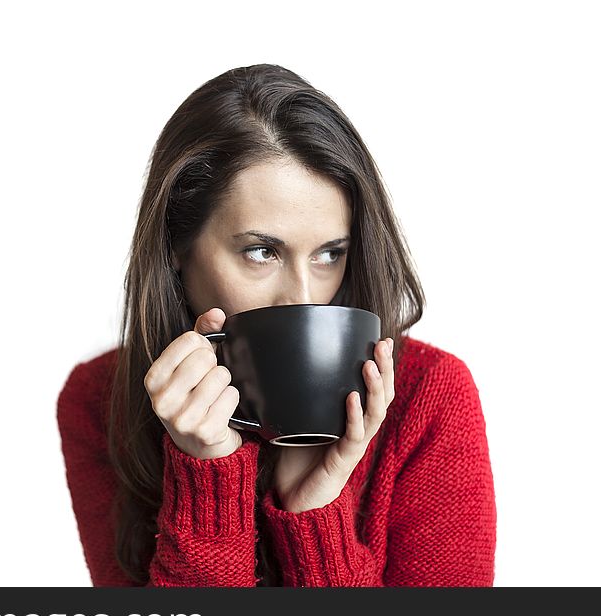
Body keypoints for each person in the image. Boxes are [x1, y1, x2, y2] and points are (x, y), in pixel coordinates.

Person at [56, 64, 496, 587]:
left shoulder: (429, 396)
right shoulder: (98, 400)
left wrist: (315, 509)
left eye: (329, 254)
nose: (304, 298)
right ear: (177, 245)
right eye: (262, 252)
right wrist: (207, 481)